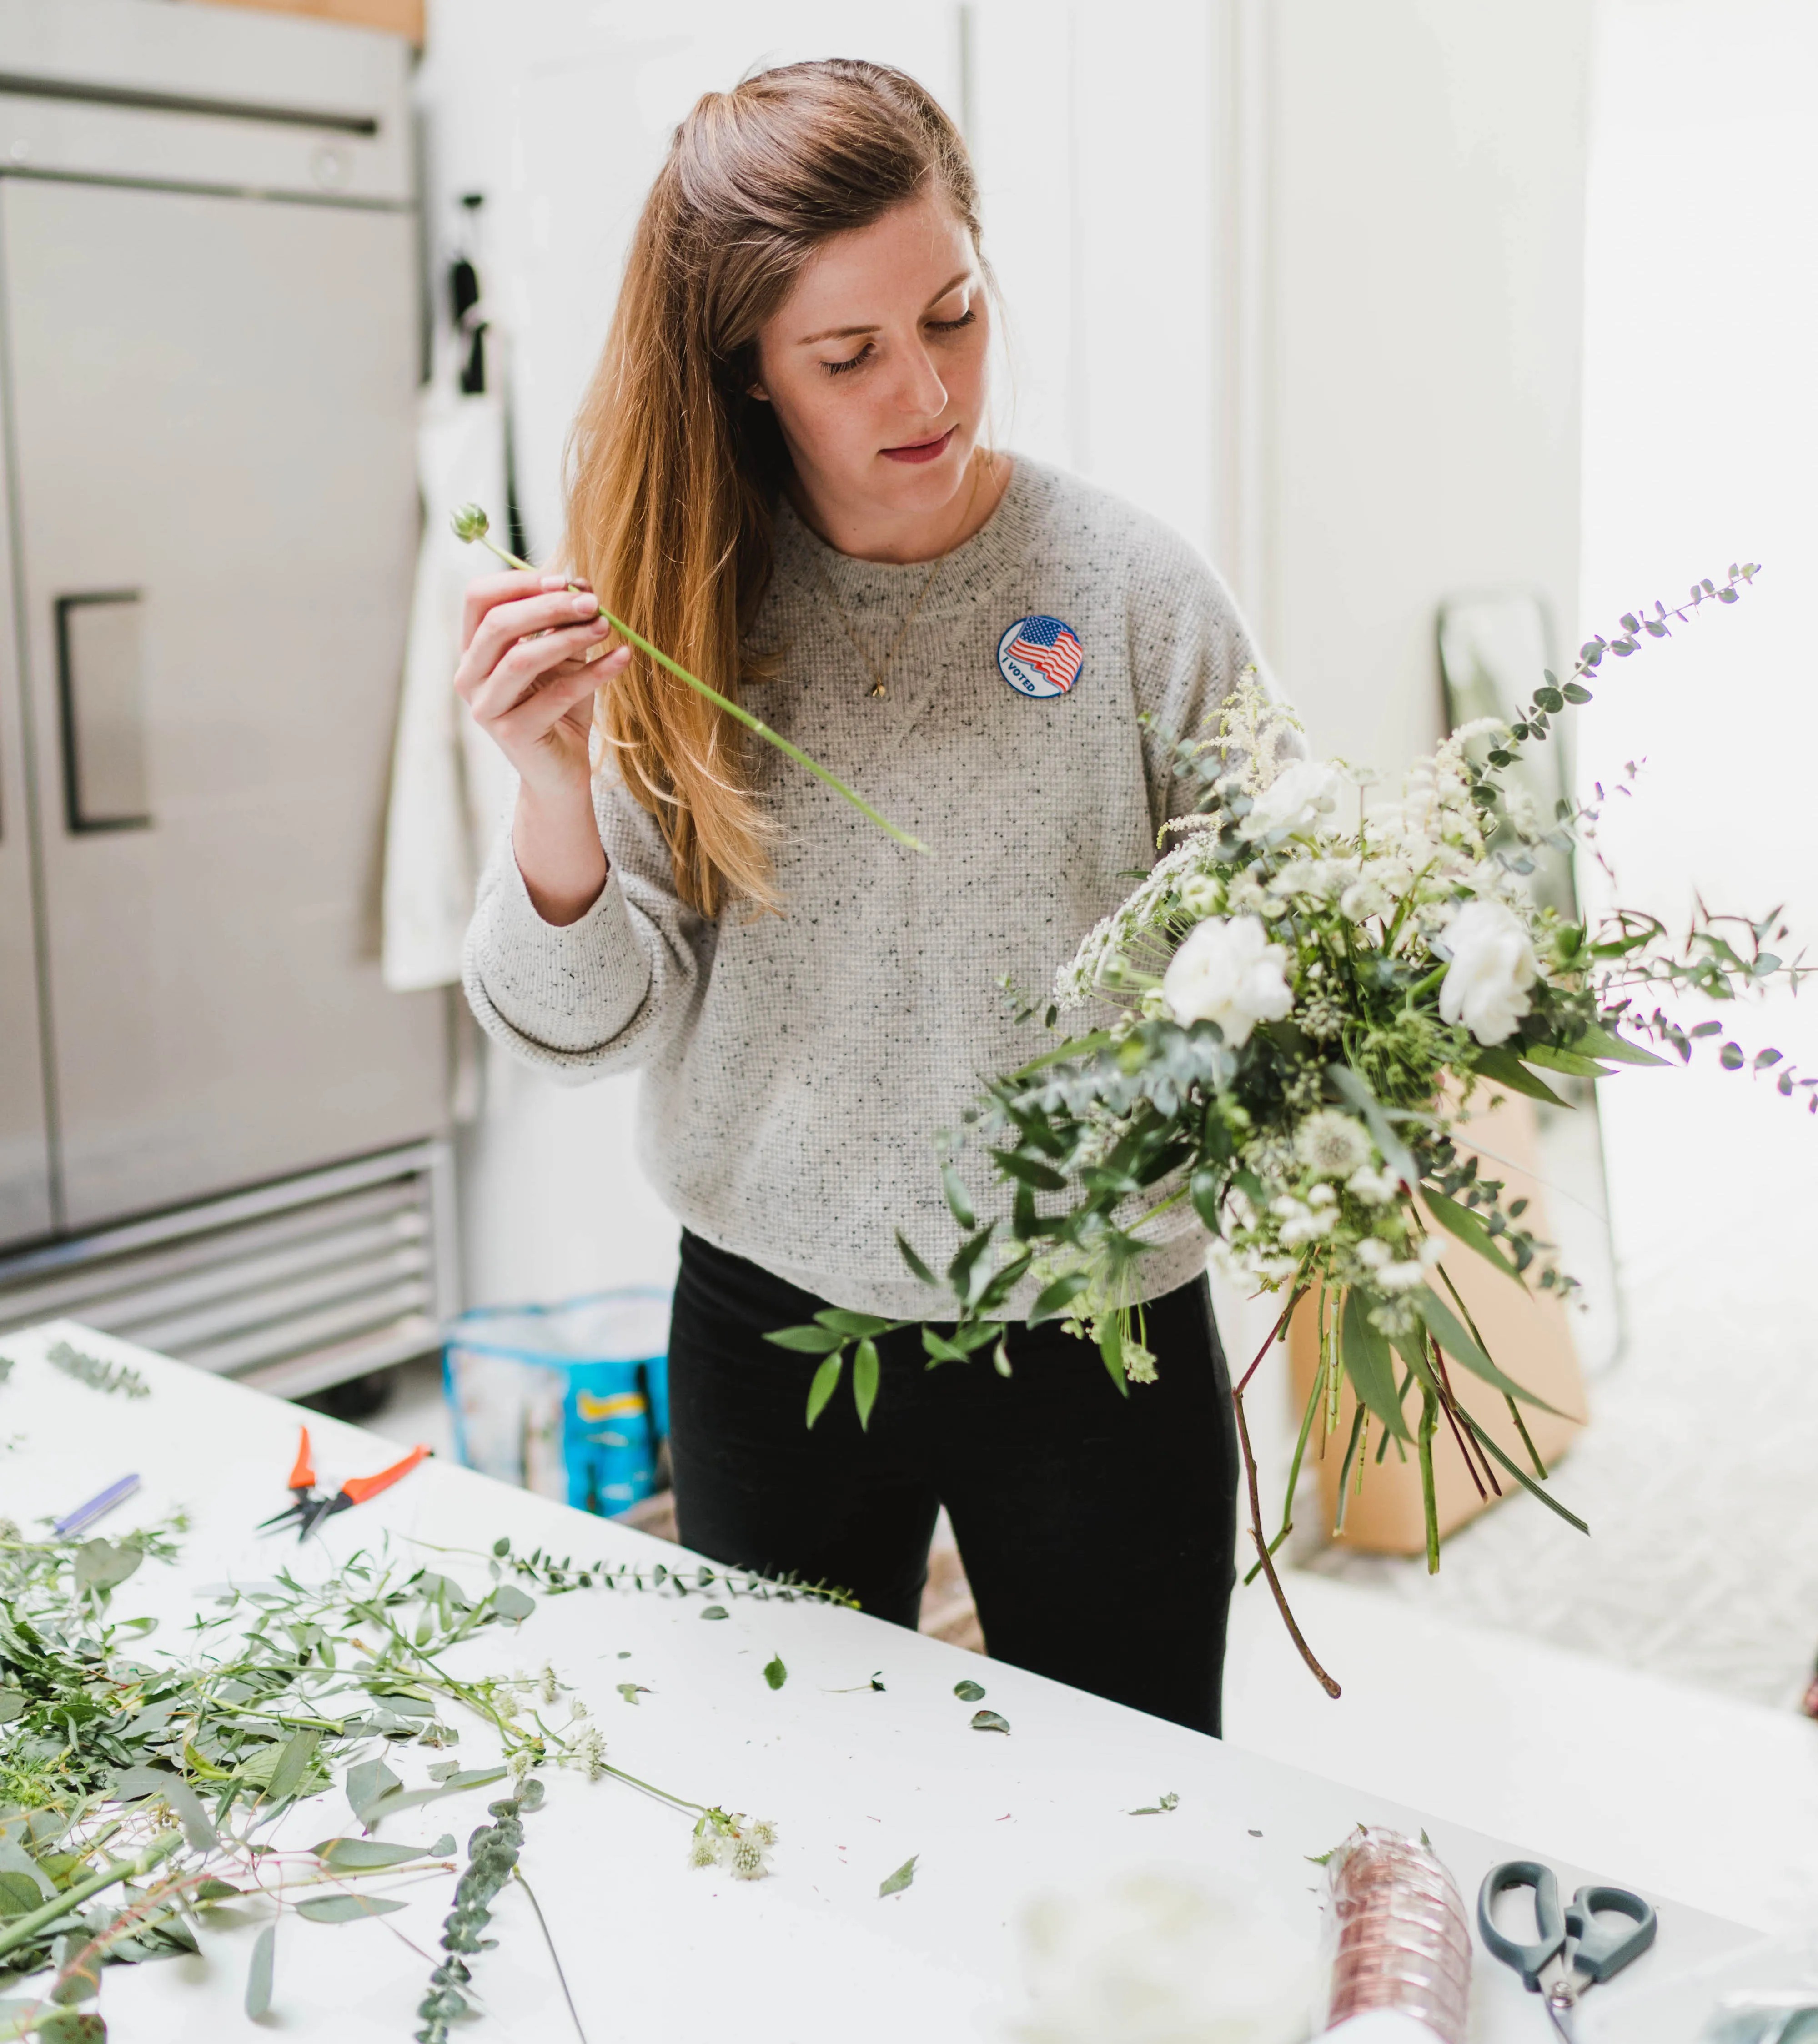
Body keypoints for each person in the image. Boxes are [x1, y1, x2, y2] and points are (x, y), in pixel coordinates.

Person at [456, 59, 1294, 1736]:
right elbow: (575, 1030)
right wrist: (552, 783)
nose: (929, 388)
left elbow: (1286, 924)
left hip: (1098, 1332)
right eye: (849, 355)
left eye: (956, 315)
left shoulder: (1130, 594)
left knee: (1137, 1809)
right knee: (802, 1811)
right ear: (750, 372)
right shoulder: (678, 617)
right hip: (777, 1336)